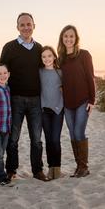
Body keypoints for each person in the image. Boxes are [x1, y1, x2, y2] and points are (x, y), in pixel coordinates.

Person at [0, 12, 49, 181]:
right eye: (22, 25)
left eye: (29, 24)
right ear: (17, 27)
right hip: (15, 100)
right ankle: (11, 170)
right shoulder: (9, 47)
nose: (26, 27)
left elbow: (47, 72)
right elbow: (2, 72)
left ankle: (38, 171)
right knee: (13, 139)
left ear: (34, 26)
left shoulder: (39, 48)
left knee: (36, 139)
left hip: (36, 100)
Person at [57, 25, 95, 178]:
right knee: (72, 134)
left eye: (71, 36)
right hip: (67, 103)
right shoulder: (60, 59)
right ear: (62, 39)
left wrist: (92, 100)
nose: (68, 39)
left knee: (79, 132)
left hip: (83, 101)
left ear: (76, 38)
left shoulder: (84, 55)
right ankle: (78, 167)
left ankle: (84, 167)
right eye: (66, 36)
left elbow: (90, 78)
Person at [39, 46, 64, 180]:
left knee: (55, 139)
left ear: (54, 57)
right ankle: (50, 169)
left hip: (58, 110)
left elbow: (67, 89)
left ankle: (57, 168)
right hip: (44, 110)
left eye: (49, 56)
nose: (47, 59)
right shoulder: (39, 72)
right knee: (48, 140)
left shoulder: (60, 72)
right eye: (44, 56)